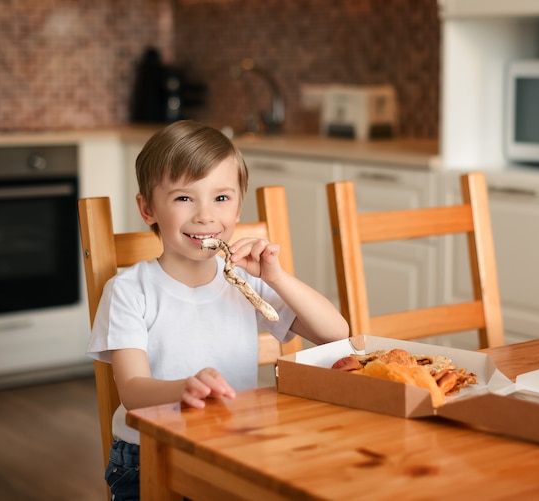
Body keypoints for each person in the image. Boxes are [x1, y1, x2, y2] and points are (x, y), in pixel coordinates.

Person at [86, 120, 349, 500]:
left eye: (221, 198)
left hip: (234, 444)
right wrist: (185, 390)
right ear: (147, 209)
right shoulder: (129, 290)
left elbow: (335, 333)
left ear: (239, 206)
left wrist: (276, 278)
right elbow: (132, 392)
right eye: (183, 198)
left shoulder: (245, 283)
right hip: (148, 455)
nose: (205, 216)